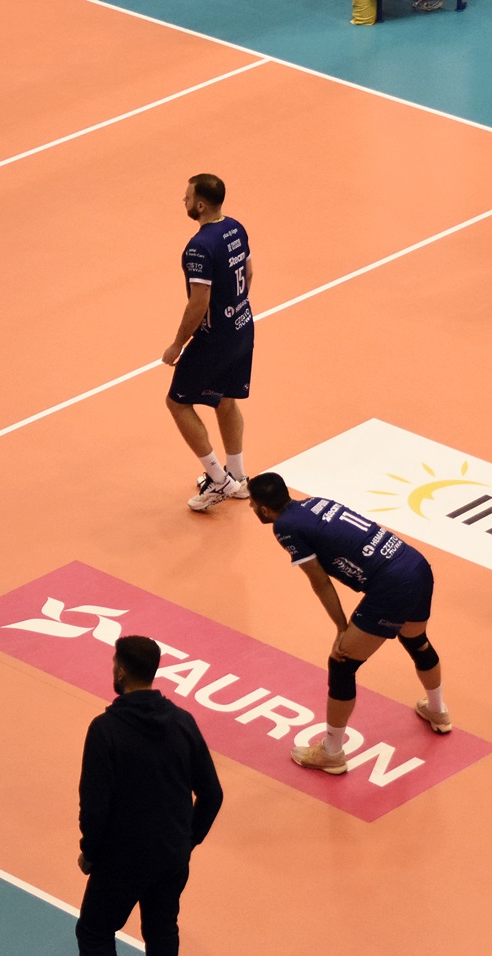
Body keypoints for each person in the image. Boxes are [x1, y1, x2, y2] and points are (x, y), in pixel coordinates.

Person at [52, 635, 223, 956]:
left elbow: (94, 805)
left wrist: (90, 852)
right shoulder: (183, 722)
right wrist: (186, 841)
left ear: (122, 670)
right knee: (162, 932)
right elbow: (213, 794)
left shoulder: (105, 729)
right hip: (170, 857)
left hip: (121, 861)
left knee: (94, 933)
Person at [247, 473, 452, 774]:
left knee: (342, 663)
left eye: (252, 503)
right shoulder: (314, 502)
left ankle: (331, 753)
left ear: (264, 509)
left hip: (392, 583)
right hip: (414, 564)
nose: (251, 507)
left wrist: (342, 629)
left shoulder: (285, 527)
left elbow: (320, 581)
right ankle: (438, 710)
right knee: (415, 639)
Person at [161, 174, 255, 512]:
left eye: (187, 197)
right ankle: (238, 477)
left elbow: (199, 302)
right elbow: (249, 272)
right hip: (243, 327)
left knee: (177, 403)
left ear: (200, 205)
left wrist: (178, 344)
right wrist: (234, 308)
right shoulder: (236, 228)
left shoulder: (198, 247)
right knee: (226, 400)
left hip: (214, 339)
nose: (184, 201)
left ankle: (218, 479)